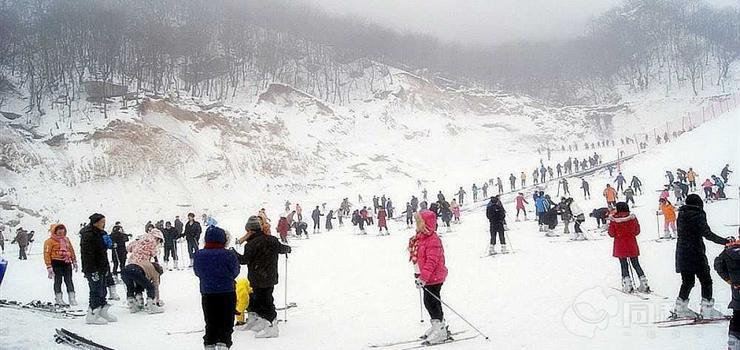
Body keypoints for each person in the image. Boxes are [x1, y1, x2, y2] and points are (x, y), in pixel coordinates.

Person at [673, 194, 730, 319]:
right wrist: (724, 241)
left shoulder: (681, 214)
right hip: (695, 252)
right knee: (706, 280)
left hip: (682, 252)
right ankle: (707, 309)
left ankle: (680, 308)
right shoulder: (698, 214)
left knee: (687, 282)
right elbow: (707, 234)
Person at [233, 216, 291, 338]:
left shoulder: (251, 245)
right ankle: (259, 321)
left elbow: (244, 260)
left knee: (264, 302)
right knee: (260, 299)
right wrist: (287, 249)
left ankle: (271, 326)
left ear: (250, 231)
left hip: (257, 278)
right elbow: (283, 248)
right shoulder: (272, 240)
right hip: (270, 277)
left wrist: (234, 254)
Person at [194, 225, 240, 349]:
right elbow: (235, 272)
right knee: (226, 322)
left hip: (208, 293)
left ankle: (209, 344)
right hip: (227, 292)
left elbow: (197, 272)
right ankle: (223, 344)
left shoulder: (199, 254)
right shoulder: (229, 254)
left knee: (211, 322)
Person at [408, 210, 449, 345]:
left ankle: (440, 329)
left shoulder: (433, 240)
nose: (417, 224)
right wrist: (418, 274)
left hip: (434, 276)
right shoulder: (421, 237)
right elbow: (419, 258)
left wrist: (424, 277)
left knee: (431, 302)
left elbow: (432, 261)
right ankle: (439, 326)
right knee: (432, 301)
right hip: (428, 277)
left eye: (419, 222)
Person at [80, 213, 117, 325]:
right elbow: (87, 254)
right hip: (92, 267)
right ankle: (92, 314)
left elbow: (103, 250)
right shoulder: (88, 235)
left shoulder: (101, 233)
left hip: (102, 265)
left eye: (104, 222)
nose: (103, 224)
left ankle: (102, 311)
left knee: (103, 289)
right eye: (102, 222)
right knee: (95, 289)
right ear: (95, 222)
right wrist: (91, 270)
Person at [608, 202, 651, 293]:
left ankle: (628, 285)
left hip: (620, 245)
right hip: (631, 244)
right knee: (636, 264)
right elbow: (637, 231)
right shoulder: (632, 219)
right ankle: (644, 283)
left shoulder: (613, 220)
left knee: (624, 265)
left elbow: (611, 234)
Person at [713, 235, 740, 349]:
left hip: (737, 291)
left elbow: (718, 264)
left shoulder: (729, 251)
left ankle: (734, 342)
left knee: (738, 316)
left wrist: (730, 280)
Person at [44, 224, 78, 306]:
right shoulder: (49, 241)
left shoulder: (66, 240)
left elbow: (71, 249)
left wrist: (74, 261)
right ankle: (59, 298)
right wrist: (49, 266)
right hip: (56, 262)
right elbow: (46, 253)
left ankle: (72, 298)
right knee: (58, 281)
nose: (61, 234)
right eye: (58, 232)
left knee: (69, 280)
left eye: (62, 232)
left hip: (66, 262)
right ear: (54, 232)